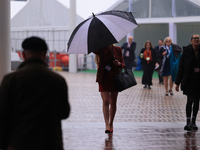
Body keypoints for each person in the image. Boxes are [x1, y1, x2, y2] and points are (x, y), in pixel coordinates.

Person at [0, 36, 70, 150]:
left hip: (19, 144)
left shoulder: (11, 80)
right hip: (51, 144)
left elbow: (2, 117)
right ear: (45, 54)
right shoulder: (58, 80)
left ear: (23, 54)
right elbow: (65, 113)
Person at [94, 44, 125, 134]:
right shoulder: (101, 49)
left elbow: (123, 64)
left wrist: (119, 64)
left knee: (113, 101)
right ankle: (107, 124)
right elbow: (93, 50)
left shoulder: (118, 49)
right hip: (103, 78)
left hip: (115, 78)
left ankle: (111, 123)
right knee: (105, 101)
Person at [175, 34, 200, 131]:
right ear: (191, 40)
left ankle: (193, 122)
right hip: (189, 80)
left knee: (197, 100)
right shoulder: (186, 51)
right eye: (195, 38)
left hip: (198, 80)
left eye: (198, 38)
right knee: (190, 100)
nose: (197, 40)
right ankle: (188, 122)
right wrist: (177, 82)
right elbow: (181, 67)